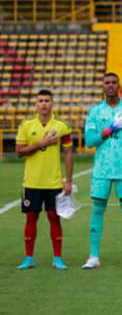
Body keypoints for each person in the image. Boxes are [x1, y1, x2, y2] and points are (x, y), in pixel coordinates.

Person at [81, 72, 122, 269]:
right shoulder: (95, 112)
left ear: (119, 85)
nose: (110, 86)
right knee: (98, 210)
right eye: (107, 83)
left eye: (114, 83)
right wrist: (110, 129)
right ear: (103, 86)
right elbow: (90, 141)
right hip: (102, 170)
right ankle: (93, 256)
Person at [15, 89, 73, 270]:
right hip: (31, 182)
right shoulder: (26, 126)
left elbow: (69, 153)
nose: (44, 104)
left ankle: (58, 258)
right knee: (31, 219)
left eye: (47, 100)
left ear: (52, 103)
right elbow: (19, 151)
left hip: (54, 183)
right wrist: (42, 144)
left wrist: (68, 180)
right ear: (36, 104)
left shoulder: (62, 127)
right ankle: (28, 258)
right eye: (40, 101)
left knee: (54, 218)